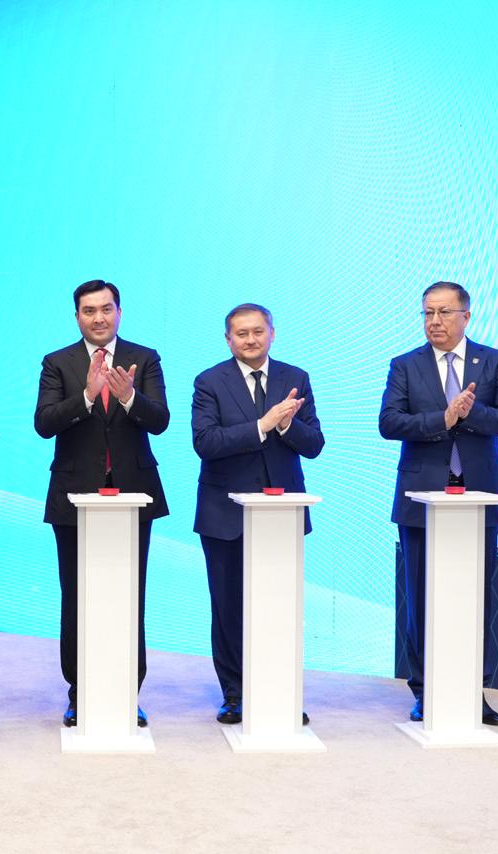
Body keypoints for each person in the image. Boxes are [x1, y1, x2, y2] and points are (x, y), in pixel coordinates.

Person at [379, 281, 498, 725]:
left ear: (466, 316)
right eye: (427, 313)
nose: (434, 321)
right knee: (421, 598)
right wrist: (442, 418)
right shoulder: (405, 365)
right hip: (421, 497)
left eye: (443, 312)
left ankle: (472, 691)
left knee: (474, 598)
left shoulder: (494, 361)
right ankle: (425, 689)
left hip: (479, 496)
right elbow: (389, 423)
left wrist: (469, 411)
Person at [35, 279, 169, 728]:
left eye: (106, 309)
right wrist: (88, 395)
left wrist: (128, 395)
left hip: (134, 493)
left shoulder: (144, 358)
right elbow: (44, 423)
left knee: (130, 596)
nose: (99, 318)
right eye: (89, 311)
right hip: (74, 495)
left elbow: (160, 420)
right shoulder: (58, 362)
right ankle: (80, 691)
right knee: (76, 597)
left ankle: (128, 691)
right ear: (77, 316)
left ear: (119, 312)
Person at [191, 303, 324, 725]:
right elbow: (206, 442)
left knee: (279, 607)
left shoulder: (295, 378)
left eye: (258, 331)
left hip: (282, 515)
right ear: (228, 339)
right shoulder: (209, 381)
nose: (250, 340)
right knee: (228, 609)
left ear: (272, 333)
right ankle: (235, 694)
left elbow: (315, 444)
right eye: (241, 333)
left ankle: (280, 691)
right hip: (224, 514)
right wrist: (263, 425)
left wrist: (285, 425)